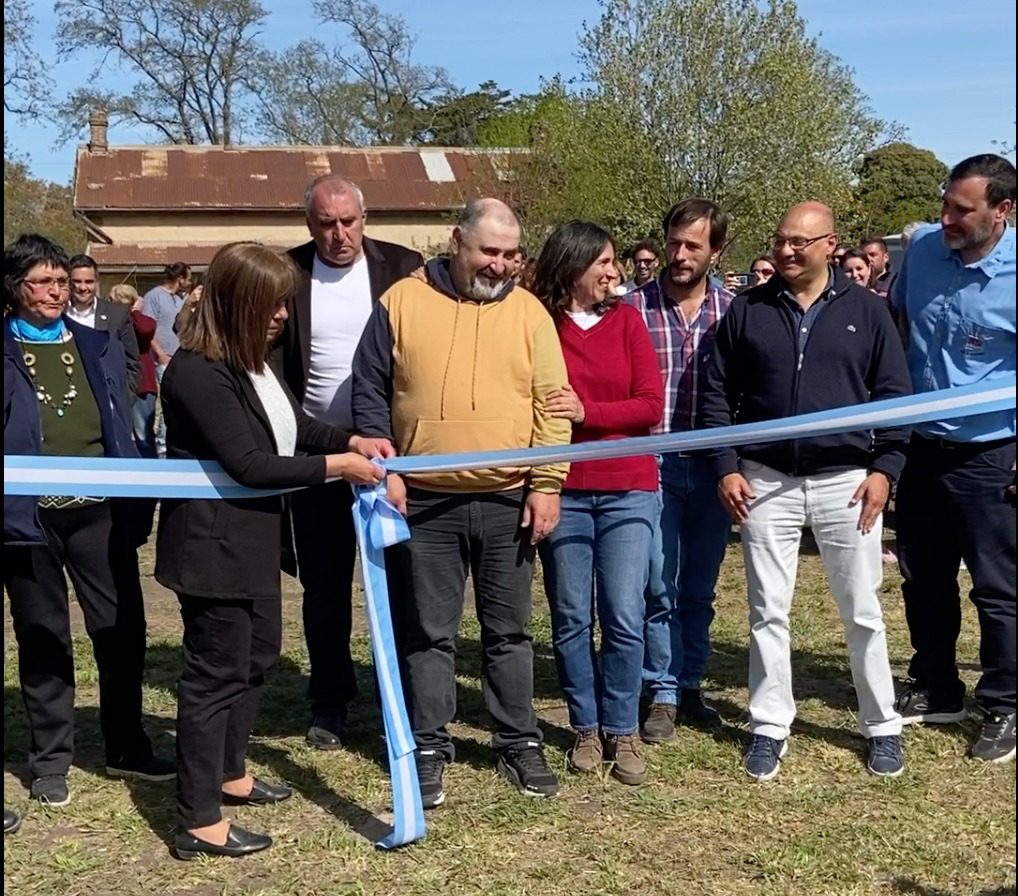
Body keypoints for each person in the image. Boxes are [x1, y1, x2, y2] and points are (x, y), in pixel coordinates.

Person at [156, 242, 389, 860]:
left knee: (256, 657)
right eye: (273, 302)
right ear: (238, 302)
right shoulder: (198, 371)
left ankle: (232, 773)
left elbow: (294, 427)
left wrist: (350, 437)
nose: (284, 312)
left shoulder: (253, 361)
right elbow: (252, 462)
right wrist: (340, 466)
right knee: (214, 676)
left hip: (252, 542)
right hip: (213, 548)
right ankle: (198, 818)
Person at [352, 198, 572, 808]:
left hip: (508, 500)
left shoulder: (531, 313)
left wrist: (547, 483)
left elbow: (553, 405)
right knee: (428, 634)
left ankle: (518, 741)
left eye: (509, 255)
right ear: (457, 242)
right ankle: (428, 745)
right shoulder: (400, 301)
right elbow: (369, 389)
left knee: (510, 633)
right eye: (488, 252)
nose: (499, 266)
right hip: (423, 503)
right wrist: (386, 467)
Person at [700, 202, 912, 781]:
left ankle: (882, 724)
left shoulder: (868, 313)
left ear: (829, 245)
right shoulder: (747, 311)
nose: (786, 250)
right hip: (765, 479)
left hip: (848, 480)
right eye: (779, 240)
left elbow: (895, 397)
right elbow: (715, 394)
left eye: (799, 242)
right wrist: (725, 464)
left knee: (862, 610)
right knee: (768, 609)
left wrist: (884, 470)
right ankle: (769, 725)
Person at [3, 234, 174, 809]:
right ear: (14, 288)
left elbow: (121, 417)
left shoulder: (96, 344)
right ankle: (51, 759)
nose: (56, 292)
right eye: (43, 282)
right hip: (27, 520)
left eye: (60, 281)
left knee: (121, 630)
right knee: (42, 633)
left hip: (100, 512)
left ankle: (126, 742)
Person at [275, 174, 423, 751]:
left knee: (402, 582)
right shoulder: (288, 274)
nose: (339, 235)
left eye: (349, 222)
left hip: (391, 451)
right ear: (309, 224)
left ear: (366, 217)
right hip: (319, 454)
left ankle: (405, 700)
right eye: (325, 224)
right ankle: (330, 700)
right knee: (326, 587)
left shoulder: (405, 267)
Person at [890, 154, 1016, 763]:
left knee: (998, 588)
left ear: (1002, 210)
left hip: (993, 454)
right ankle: (937, 685)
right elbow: (893, 328)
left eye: (962, 210)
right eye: (945, 204)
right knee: (923, 577)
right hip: (920, 448)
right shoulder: (919, 255)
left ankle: (1006, 703)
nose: (947, 218)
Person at [531, 221, 663, 784]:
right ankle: (585, 727)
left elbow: (649, 405)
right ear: (574, 266)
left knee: (624, 613)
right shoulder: (540, 326)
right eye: (604, 262)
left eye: (614, 262)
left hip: (628, 487)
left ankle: (623, 727)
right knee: (569, 617)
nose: (614, 272)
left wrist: (589, 413)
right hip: (564, 488)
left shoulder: (628, 321)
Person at [624, 198, 735, 743]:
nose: (679, 254)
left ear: (717, 250)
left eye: (693, 245)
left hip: (714, 467)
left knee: (700, 584)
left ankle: (690, 681)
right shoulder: (631, 309)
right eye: (673, 242)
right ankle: (661, 689)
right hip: (653, 464)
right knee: (657, 583)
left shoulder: (735, 312)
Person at [66, 254, 140, 395]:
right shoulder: (58, 314)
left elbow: (132, 362)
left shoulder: (117, 314)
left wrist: (123, 400)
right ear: (69, 282)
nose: (83, 287)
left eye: (88, 282)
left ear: (97, 282)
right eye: (77, 281)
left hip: (108, 399)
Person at [142, 262, 192, 456]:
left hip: (179, 359)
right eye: (187, 278)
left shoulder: (180, 300)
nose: (189, 282)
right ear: (179, 279)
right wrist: (161, 354)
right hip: (162, 360)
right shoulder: (154, 297)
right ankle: (162, 446)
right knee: (165, 405)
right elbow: (148, 328)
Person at [108, 284, 159, 457]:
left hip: (142, 385)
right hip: (120, 381)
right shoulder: (111, 321)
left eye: (111, 300)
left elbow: (146, 330)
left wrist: (134, 311)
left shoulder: (140, 321)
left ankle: (150, 470)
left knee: (143, 433)